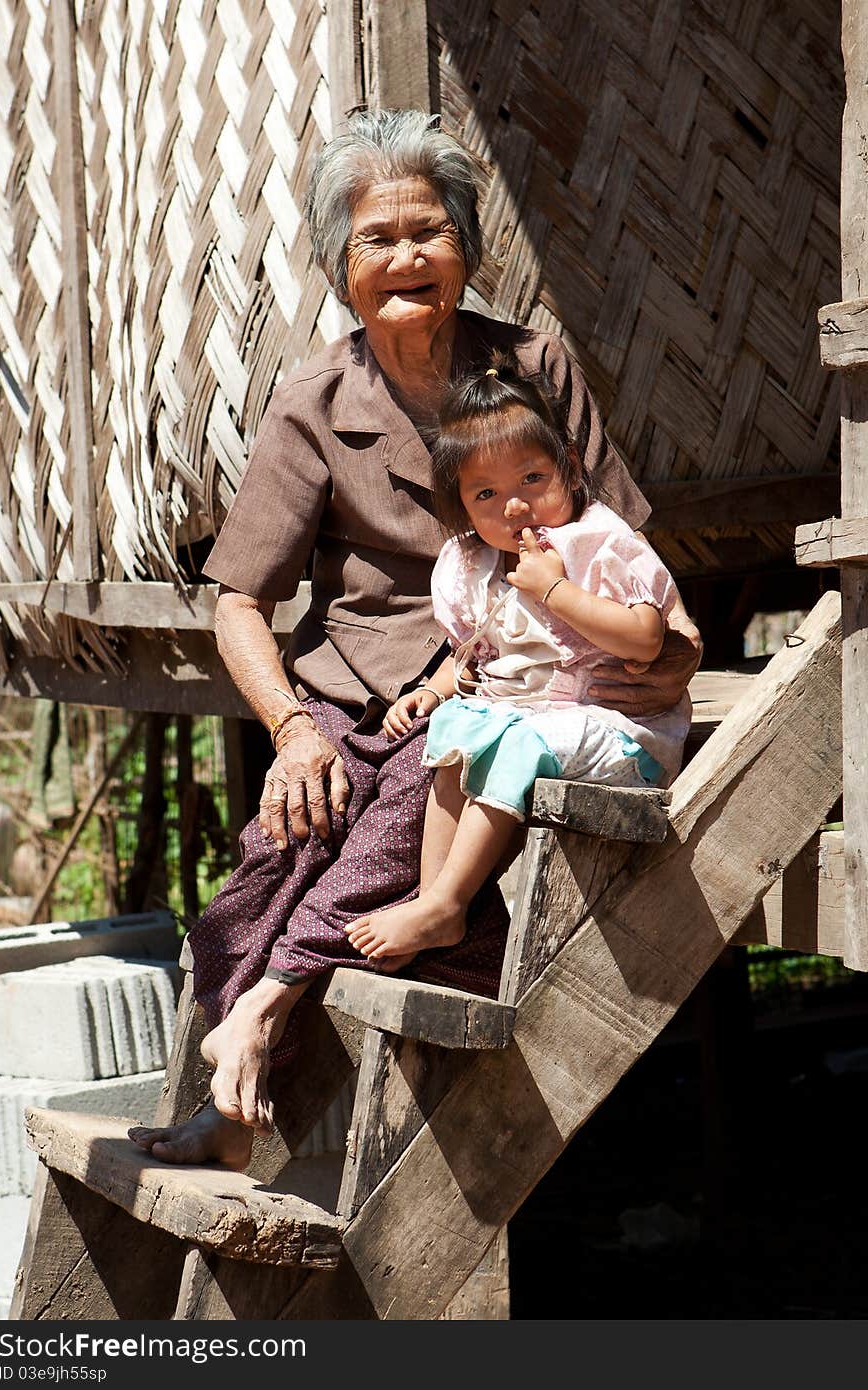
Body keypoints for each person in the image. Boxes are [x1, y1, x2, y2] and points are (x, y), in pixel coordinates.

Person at [129, 109, 701, 1170]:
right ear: (336, 266)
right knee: (274, 853)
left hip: (520, 681)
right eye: (375, 240)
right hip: (359, 693)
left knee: (399, 818)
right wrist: (295, 734)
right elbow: (239, 602)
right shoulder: (312, 401)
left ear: (467, 252)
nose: (406, 258)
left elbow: (626, 553)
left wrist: (648, 657)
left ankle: (260, 1011)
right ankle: (229, 1101)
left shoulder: (530, 367)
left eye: (428, 232)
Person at [345, 358, 690, 964]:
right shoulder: (472, 563)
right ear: (461, 505)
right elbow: (476, 651)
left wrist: (556, 592)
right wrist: (435, 689)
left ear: (571, 469)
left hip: (618, 731)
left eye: (532, 479)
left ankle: (448, 902)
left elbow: (645, 640)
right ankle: (434, 900)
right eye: (487, 493)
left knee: (513, 741)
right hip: (532, 720)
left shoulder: (598, 544)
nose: (514, 507)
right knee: (455, 729)